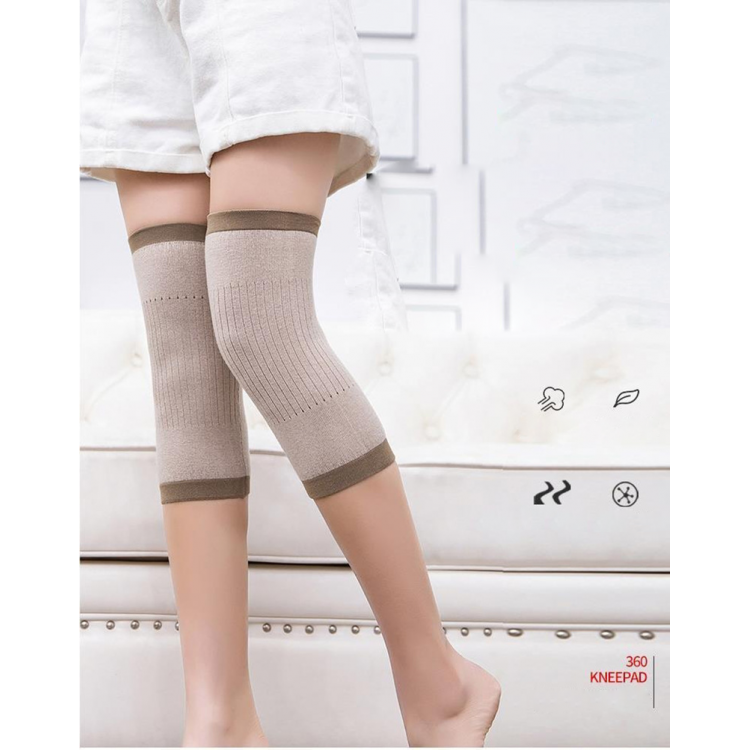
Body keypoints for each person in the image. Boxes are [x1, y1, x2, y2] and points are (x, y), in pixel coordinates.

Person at [80, 1, 501, 746]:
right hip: (135, 19)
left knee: (261, 325)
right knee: (185, 370)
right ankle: (220, 722)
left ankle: (441, 683)